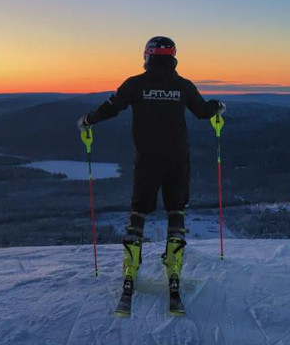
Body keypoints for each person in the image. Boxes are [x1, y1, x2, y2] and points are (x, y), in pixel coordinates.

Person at [77, 36, 224, 303]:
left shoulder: (136, 84)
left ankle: (131, 268)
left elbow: (112, 107)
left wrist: (88, 120)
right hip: (178, 159)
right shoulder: (182, 86)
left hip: (147, 160)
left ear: (148, 56)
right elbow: (203, 112)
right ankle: (174, 267)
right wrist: (217, 106)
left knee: (139, 212)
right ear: (173, 57)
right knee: (176, 210)